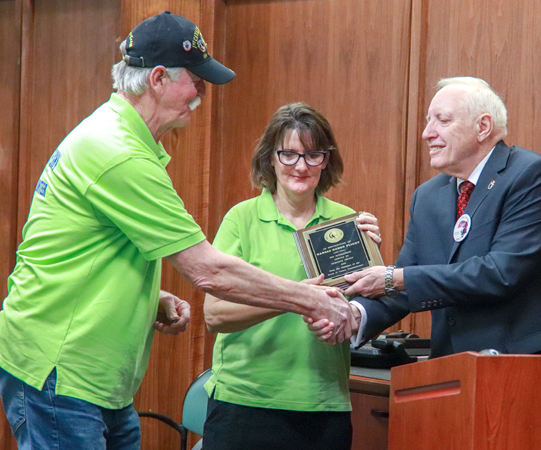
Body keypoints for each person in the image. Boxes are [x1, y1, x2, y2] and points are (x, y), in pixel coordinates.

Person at [0, 12, 355, 450]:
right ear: (159, 78)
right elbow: (209, 273)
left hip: (96, 381)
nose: (203, 93)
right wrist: (309, 298)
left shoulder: (126, 141)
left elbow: (89, 250)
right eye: (197, 80)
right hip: (61, 372)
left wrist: (151, 298)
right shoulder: (119, 152)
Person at [321, 76, 541, 357]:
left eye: (442, 121)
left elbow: (501, 272)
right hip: (452, 372)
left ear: (483, 127)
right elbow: (407, 281)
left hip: (524, 366)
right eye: (428, 121)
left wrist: (394, 278)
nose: (427, 133)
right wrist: (356, 314)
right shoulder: (428, 196)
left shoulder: (529, 174)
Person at [201, 103, 381, 450]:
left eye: (313, 155)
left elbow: (367, 313)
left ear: (326, 160)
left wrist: (376, 264)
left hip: (323, 405)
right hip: (244, 402)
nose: (301, 166)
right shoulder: (242, 219)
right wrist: (292, 297)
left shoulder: (347, 223)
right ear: (271, 158)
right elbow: (215, 315)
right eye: (289, 154)